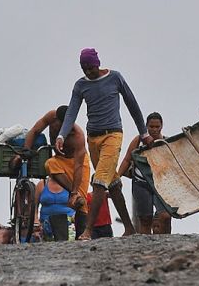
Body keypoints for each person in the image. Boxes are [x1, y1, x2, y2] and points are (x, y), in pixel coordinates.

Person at [56, 48, 153, 240]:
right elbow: (71, 112)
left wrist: (144, 133)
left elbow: (132, 105)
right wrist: (61, 135)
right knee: (113, 183)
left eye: (90, 67)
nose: (88, 72)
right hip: (93, 137)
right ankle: (129, 228)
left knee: (99, 180)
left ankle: (88, 230)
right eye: (84, 68)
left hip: (113, 135)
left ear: (97, 64)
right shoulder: (80, 85)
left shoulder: (115, 78)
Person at [17, 105, 90, 238]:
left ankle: (82, 234)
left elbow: (79, 166)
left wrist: (74, 192)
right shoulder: (51, 117)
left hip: (78, 163)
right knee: (49, 163)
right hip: (59, 160)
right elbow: (34, 131)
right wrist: (26, 149)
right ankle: (73, 192)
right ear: (57, 119)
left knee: (80, 201)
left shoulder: (78, 135)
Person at [117, 112, 171, 234]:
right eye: (151, 126)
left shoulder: (166, 143)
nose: (154, 129)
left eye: (157, 127)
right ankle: (145, 245)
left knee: (165, 216)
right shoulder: (138, 141)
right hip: (141, 183)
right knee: (145, 219)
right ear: (146, 126)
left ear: (161, 126)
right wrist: (117, 177)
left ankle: (167, 243)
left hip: (162, 184)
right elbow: (127, 159)